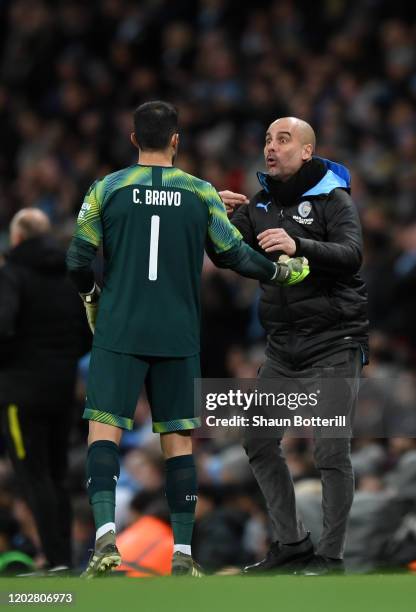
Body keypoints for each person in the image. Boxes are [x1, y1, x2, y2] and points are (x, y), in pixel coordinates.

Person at [66, 101, 310, 578]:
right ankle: (182, 554)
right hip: (178, 332)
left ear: (134, 139)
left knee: (104, 433)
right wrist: (282, 272)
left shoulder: (107, 188)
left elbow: (77, 259)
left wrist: (91, 293)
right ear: (176, 141)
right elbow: (234, 257)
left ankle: (102, 542)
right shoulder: (199, 194)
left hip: (119, 327)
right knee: (178, 444)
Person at [219, 116, 369, 575]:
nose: (271, 147)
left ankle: (331, 556)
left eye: (283, 140)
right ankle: (292, 544)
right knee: (259, 441)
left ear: (306, 150)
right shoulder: (259, 204)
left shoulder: (333, 197)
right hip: (283, 347)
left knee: (329, 450)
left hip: (333, 340)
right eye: (266, 139)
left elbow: (352, 255)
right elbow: (224, 255)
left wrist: (298, 244)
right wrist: (213, 216)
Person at [0, 208, 89, 571]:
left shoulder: (12, 274)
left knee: (32, 476)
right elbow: (88, 329)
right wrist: (60, 360)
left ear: (17, 237)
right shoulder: (69, 276)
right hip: (62, 390)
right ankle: (62, 560)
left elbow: (2, 326)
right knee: (56, 476)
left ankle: (54, 561)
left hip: (21, 392)